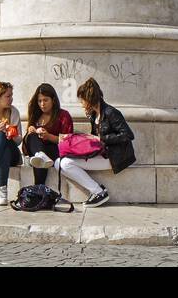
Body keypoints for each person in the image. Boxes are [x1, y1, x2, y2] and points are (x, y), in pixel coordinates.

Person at [55, 77, 135, 207]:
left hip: (115, 156)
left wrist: (102, 139)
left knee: (66, 163)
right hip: (101, 153)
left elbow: (128, 135)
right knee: (59, 163)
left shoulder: (111, 112)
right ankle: (97, 191)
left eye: (82, 101)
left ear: (89, 99)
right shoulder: (94, 115)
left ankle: (99, 192)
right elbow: (94, 139)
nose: (81, 104)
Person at [23, 82, 73, 186]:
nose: (42, 104)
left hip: (55, 150)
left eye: (45, 100)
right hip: (36, 151)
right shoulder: (36, 115)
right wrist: (30, 130)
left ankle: (38, 187)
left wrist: (49, 136)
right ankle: (40, 156)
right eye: (39, 101)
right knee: (33, 139)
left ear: (53, 100)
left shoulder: (63, 115)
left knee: (40, 157)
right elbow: (27, 142)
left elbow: (68, 141)